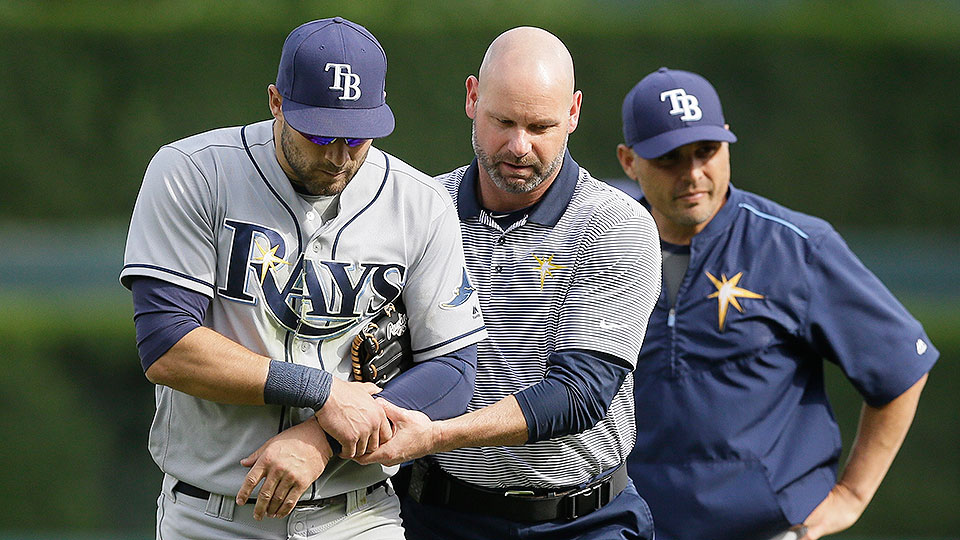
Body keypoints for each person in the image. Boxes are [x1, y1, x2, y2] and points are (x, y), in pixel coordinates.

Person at [120, 17, 486, 539]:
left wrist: (321, 439)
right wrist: (322, 392)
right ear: (275, 103)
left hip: (358, 515)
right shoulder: (195, 173)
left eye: (358, 137)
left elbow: (453, 371)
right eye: (318, 132)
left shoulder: (419, 203)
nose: (339, 155)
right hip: (212, 515)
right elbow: (166, 345)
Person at [353, 27, 662, 540]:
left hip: (584, 522)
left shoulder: (615, 223)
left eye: (541, 126)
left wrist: (434, 436)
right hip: (437, 514)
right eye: (504, 121)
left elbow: (579, 394)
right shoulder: (418, 209)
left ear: (574, 113)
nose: (520, 146)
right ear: (472, 98)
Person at [615, 67, 939, 540]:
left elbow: (901, 364)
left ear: (727, 144)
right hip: (633, 529)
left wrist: (851, 495)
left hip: (767, 529)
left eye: (707, 152)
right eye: (669, 158)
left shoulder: (796, 246)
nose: (693, 174)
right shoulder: (601, 247)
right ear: (629, 161)